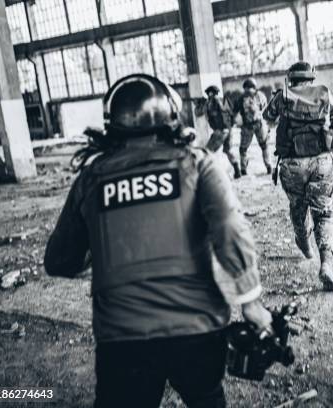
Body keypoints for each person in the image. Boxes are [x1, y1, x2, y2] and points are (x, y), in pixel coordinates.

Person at [44, 74, 273, 408]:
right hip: (197, 327)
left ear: (112, 125)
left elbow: (59, 261)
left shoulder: (92, 177)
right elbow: (229, 228)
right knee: (206, 397)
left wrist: (102, 247)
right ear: (172, 118)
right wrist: (251, 302)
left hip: (122, 337)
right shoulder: (197, 164)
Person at [263, 61, 333, 292]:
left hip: (292, 163)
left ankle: (305, 245)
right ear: (311, 78)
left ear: (291, 78)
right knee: (324, 213)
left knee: (298, 206)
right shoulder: (324, 93)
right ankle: (326, 264)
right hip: (322, 161)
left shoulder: (282, 96)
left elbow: (267, 116)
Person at [201, 85, 241, 179]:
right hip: (229, 130)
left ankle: (211, 174)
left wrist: (203, 104)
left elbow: (205, 113)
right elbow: (231, 114)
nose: (208, 95)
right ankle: (237, 170)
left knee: (208, 151)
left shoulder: (213, 102)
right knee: (228, 150)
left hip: (220, 130)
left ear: (211, 93)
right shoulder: (224, 100)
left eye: (209, 93)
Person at [234, 78, 272, 175]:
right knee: (264, 146)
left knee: (243, 149)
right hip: (259, 124)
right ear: (255, 86)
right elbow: (265, 109)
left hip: (247, 126)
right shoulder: (261, 96)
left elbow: (235, 110)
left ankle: (243, 169)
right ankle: (269, 166)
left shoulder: (241, 97)